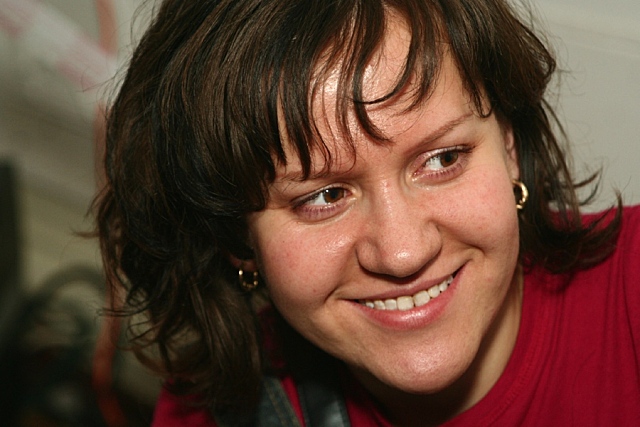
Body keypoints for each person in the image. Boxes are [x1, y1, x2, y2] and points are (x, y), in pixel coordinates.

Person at [95, 0, 640, 425]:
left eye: (442, 159)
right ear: (236, 238)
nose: (403, 253)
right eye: (324, 197)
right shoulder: (215, 411)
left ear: (510, 147)